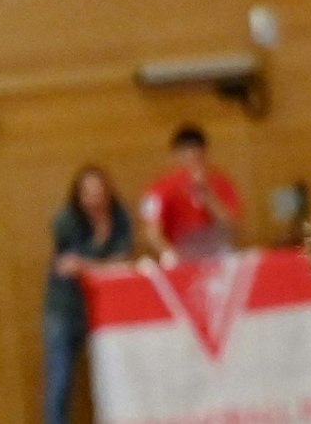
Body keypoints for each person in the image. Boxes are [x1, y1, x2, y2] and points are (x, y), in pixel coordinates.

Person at [43, 166, 135, 424]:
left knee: (111, 377)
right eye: (88, 193)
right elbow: (68, 266)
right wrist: (101, 266)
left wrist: (88, 266)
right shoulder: (66, 221)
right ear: (79, 196)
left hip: (105, 310)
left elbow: (123, 261)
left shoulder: (120, 217)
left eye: (99, 191)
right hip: (65, 308)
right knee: (60, 380)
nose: (95, 198)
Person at [139, 124, 242, 263]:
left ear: (205, 154)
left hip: (217, 252)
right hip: (180, 254)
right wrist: (168, 253)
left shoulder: (222, 184)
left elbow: (233, 228)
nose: (191, 160)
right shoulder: (159, 190)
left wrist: (208, 195)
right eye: (186, 154)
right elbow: (152, 231)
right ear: (175, 155)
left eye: (196, 154)